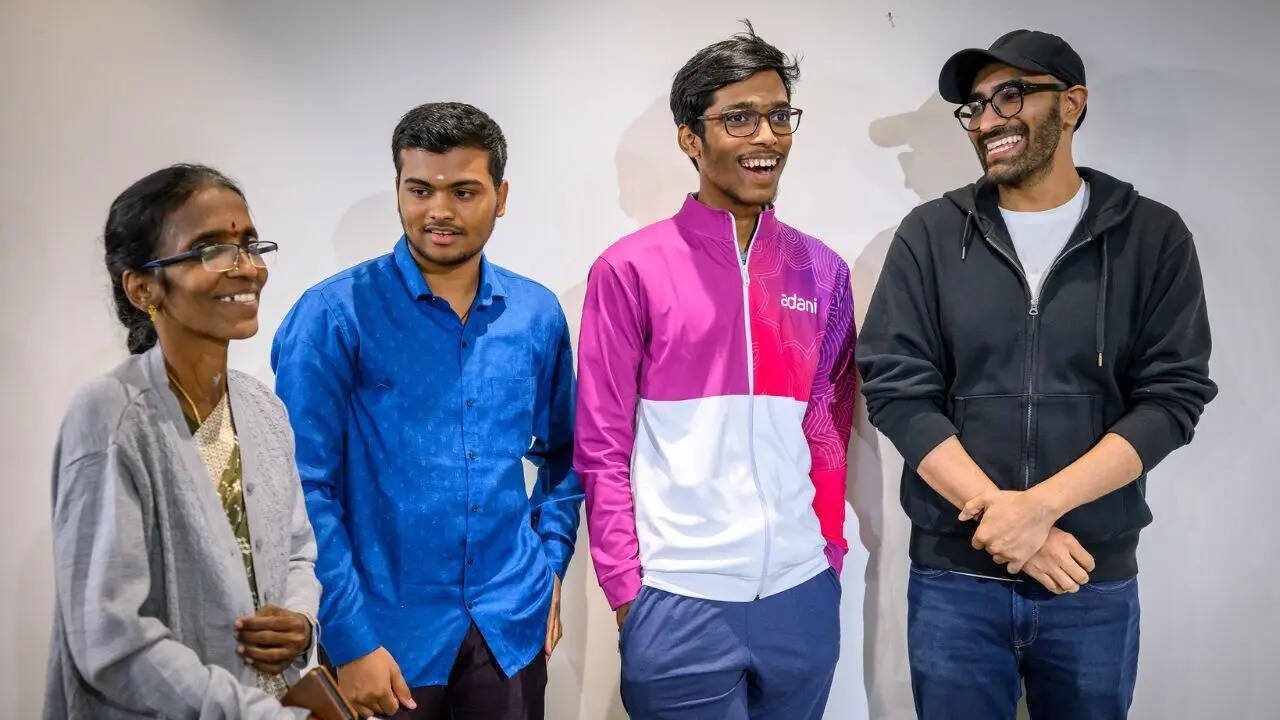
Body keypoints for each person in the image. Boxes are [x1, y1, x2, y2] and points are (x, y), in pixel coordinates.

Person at [856, 29, 1217, 720]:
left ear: (1071, 104)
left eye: (1010, 96)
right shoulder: (930, 235)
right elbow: (897, 389)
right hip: (955, 581)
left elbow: (1172, 398)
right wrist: (1009, 521)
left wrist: (1040, 510)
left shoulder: (1151, 237)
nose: (988, 119)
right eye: (977, 107)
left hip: (1087, 576)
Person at [575, 22, 857, 720]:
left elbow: (827, 425)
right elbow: (601, 444)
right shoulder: (629, 268)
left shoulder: (821, 270)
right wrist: (626, 590)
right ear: (690, 137)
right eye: (739, 117)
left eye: (778, 115)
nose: (766, 136)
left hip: (801, 594)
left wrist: (827, 556)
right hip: (679, 600)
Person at [272, 102, 582, 720]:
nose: (439, 211)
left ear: (501, 195)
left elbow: (566, 454)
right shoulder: (334, 316)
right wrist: (351, 639)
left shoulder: (536, 315)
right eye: (420, 190)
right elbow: (302, 489)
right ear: (398, 191)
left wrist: (548, 566)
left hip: (507, 634)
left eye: (464, 191)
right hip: (383, 640)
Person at [45, 163, 320, 719]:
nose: (246, 269)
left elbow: (297, 549)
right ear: (143, 286)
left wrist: (300, 619)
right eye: (210, 250)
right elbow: (110, 637)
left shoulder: (264, 410)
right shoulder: (112, 416)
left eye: (248, 245)